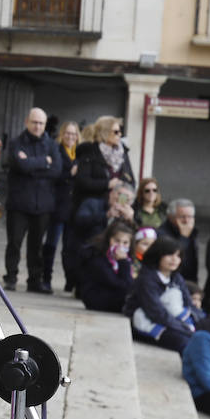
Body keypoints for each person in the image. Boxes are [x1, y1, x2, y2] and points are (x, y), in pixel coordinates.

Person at [66, 118, 134, 292]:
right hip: (94, 206)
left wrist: (125, 193)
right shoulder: (90, 152)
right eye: (116, 132)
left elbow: (130, 179)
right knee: (92, 245)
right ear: (105, 132)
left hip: (119, 205)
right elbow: (82, 181)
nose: (120, 135)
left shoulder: (122, 153)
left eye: (120, 132)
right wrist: (107, 184)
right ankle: (83, 283)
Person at [2, 107, 61, 292]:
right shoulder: (16, 142)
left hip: (42, 204)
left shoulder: (52, 145)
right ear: (27, 122)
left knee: (36, 246)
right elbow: (19, 164)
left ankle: (34, 280)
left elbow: (56, 170)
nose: (37, 126)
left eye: (41, 123)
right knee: (15, 242)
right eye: (35, 122)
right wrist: (44, 162)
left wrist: (30, 164)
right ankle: (11, 277)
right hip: (19, 203)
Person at [125, 236, 202, 352]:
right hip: (146, 322)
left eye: (178, 256)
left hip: (172, 320)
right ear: (158, 255)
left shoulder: (176, 277)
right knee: (185, 341)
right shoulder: (146, 279)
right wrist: (185, 329)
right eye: (170, 255)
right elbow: (156, 313)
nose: (174, 259)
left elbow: (188, 304)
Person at [42, 120, 80, 291]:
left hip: (73, 208)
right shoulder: (57, 150)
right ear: (62, 135)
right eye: (67, 133)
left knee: (70, 248)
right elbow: (54, 174)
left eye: (73, 134)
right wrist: (70, 174)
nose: (70, 137)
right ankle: (46, 278)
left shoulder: (78, 154)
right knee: (51, 244)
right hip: (58, 205)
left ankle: (70, 280)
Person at [79, 220, 135, 313]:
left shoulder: (127, 259)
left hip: (113, 293)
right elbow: (121, 284)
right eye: (117, 241)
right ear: (109, 239)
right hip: (96, 298)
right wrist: (123, 262)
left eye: (125, 243)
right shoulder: (98, 257)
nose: (120, 246)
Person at [159, 198, 201, 286]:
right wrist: (183, 238)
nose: (186, 221)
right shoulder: (162, 233)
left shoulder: (192, 232)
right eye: (182, 217)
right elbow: (173, 256)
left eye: (190, 217)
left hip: (190, 280)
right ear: (171, 217)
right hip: (171, 281)